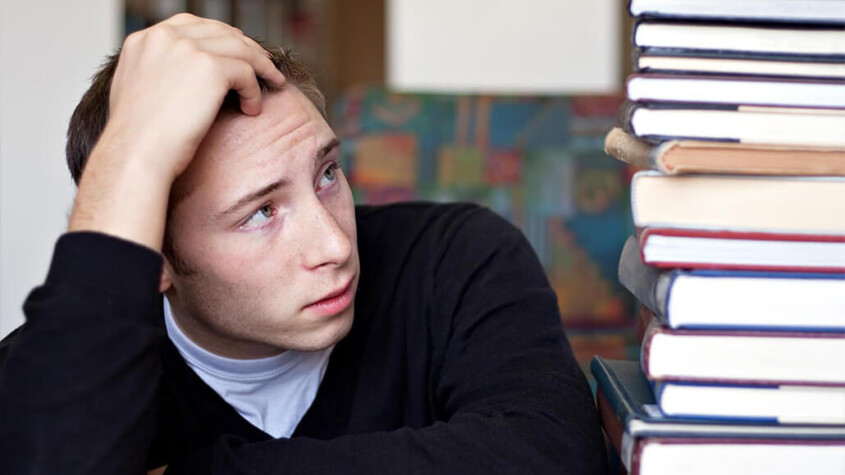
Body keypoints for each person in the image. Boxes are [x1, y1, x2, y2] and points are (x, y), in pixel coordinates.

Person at [0, 13, 607, 474]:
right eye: (260, 212)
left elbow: (555, 452)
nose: (334, 244)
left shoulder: (454, 255)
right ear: (156, 256)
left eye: (326, 174)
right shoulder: (61, 370)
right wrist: (131, 154)